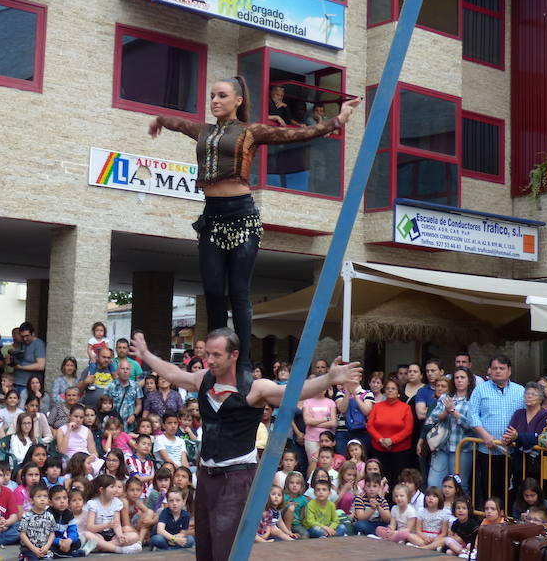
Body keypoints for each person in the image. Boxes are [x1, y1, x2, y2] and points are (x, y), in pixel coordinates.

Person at [148, 76, 358, 367]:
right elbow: (177, 123)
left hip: (242, 216)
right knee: (212, 290)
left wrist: (339, 119)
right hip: (212, 218)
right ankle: (217, 357)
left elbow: (298, 135)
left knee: (237, 290)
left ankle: (243, 361)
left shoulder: (250, 131)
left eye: (222, 95)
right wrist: (159, 119)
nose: (215, 101)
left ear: (238, 100)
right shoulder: (202, 131)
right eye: (212, 96)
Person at [130, 327, 360, 560]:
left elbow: (292, 392)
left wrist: (328, 378)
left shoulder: (255, 387)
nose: (210, 360)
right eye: (208, 354)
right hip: (208, 476)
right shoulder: (204, 379)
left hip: (237, 478)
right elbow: (175, 374)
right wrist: (146, 355)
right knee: (206, 547)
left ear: (234, 355)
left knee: (226, 549)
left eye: (217, 355)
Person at [467, 354, 525, 507]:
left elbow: (527, 416)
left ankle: (506, 520)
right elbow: (472, 415)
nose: (498, 371)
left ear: (509, 370)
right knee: (489, 489)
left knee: (510, 489)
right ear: (489, 370)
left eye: (502, 368)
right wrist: (485, 435)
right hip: (488, 450)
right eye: (494, 368)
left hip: (511, 450)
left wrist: (516, 435)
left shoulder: (520, 391)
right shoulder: (480, 390)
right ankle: (490, 520)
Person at [425, 366, 474, 489]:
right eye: (456, 377)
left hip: (462, 448)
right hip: (442, 446)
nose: (459, 380)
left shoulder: (473, 399)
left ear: (469, 380)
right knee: (434, 483)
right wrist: (446, 412)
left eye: (462, 377)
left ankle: (459, 508)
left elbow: (471, 425)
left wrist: (453, 412)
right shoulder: (445, 397)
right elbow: (432, 418)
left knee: (460, 486)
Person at [366, 378, 413, 485]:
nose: (390, 391)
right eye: (387, 388)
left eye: (393, 389)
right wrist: (381, 440)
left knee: (398, 480)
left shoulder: (405, 408)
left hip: (400, 451)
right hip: (379, 449)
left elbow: (408, 429)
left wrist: (391, 440)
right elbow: (370, 426)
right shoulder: (377, 406)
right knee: (380, 479)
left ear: (398, 392)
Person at [501, 382, 547, 483]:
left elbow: (539, 437)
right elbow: (510, 432)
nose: (529, 396)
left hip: (536, 463)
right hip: (518, 462)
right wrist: (507, 439)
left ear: (540, 398)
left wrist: (518, 436)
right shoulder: (519, 413)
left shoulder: (545, 415)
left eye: (533, 394)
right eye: (527, 393)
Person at [18, 484, 56, 560]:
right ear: (31, 500)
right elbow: (22, 534)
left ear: (48, 500)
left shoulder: (50, 516)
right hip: (29, 549)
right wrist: (33, 549)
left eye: (45, 496)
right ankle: (23, 556)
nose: (42, 499)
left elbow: (52, 533)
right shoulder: (26, 516)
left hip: (44, 548)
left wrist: (47, 546)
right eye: (39, 496)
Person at [105, 360, 142, 430]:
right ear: (118, 371)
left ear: (130, 371)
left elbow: (139, 404)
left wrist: (134, 415)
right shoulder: (111, 386)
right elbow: (105, 405)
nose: (125, 371)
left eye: (127, 369)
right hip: (114, 426)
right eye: (122, 369)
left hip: (130, 425)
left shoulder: (136, 386)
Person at [12, 322, 46, 393]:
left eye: (27, 336)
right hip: (16, 381)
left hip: (28, 384)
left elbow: (41, 365)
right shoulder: (22, 343)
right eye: (22, 336)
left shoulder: (38, 344)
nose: (24, 339)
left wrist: (21, 367)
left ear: (33, 333)